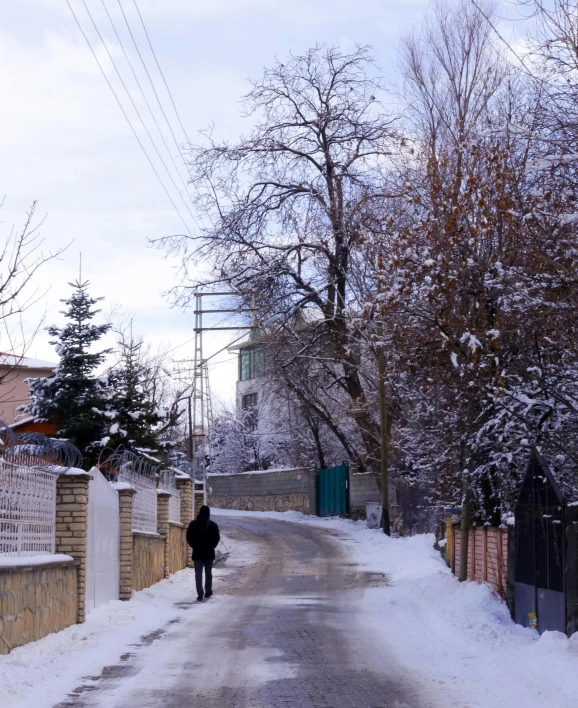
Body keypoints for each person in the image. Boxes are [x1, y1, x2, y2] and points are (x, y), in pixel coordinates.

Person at [186, 505, 220, 601]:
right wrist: (211, 546)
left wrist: (194, 546)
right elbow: (217, 538)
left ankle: (200, 594)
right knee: (208, 573)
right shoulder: (213, 525)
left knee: (198, 573)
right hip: (209, 553)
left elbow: (188, 537)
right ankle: (208, 591)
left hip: (197, 553)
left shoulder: (193, 524)